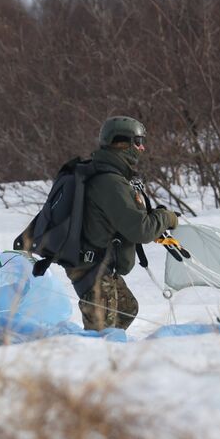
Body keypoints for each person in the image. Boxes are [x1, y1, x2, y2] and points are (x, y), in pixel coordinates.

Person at [67, 115, 179, 331]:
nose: (142, 148)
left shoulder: (112, 176)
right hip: (92, 268)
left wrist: (153, 218)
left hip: (98, 265)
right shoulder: (110, 182)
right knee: (100, 338)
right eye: (137, 142)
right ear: (121, 143)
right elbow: (140, 230)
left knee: (127, 309)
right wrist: (168, 218)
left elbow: (128, 220)